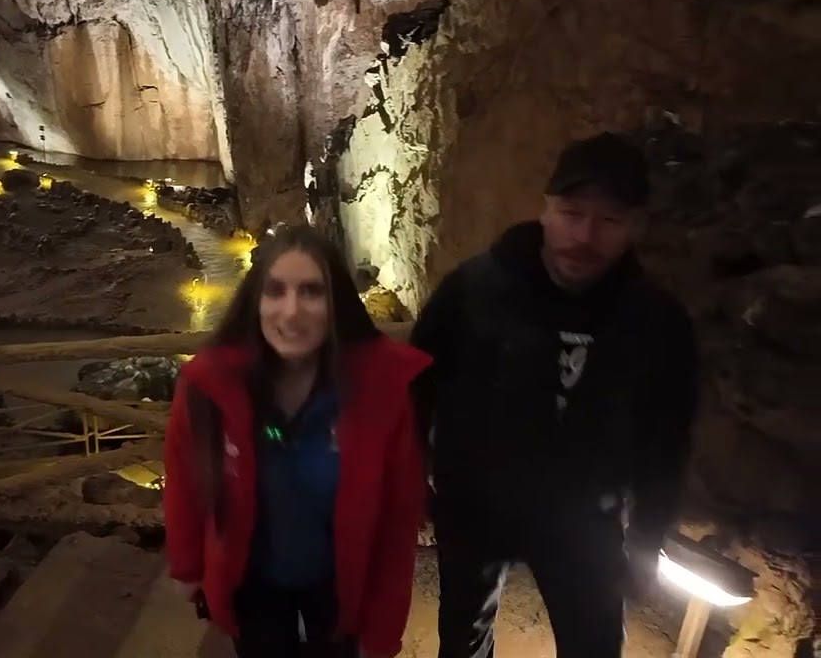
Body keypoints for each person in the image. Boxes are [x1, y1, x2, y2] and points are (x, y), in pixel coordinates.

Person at [409, 132, 699, 658]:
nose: (584, 235)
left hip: (583, 518)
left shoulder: (656, 323)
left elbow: (666, 439)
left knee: (594, 643)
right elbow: (414, 380)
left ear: (635, 227)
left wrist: (647, 539)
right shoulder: (475, 289)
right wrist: (419, 476)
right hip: (476, 505)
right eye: (571, 212)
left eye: (608, 220)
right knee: (464, 637)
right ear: (545, 210)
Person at [163, 224, 431, 658]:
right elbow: (183, 477)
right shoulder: (210, 386)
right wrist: (188, 564)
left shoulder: (379, 392)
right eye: (275, 291)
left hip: (343, 584)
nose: (291, 312)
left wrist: (382, 632)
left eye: (311, 291)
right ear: (255, 302)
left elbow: (397, 521)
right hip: (253, 582)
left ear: (337, 304)